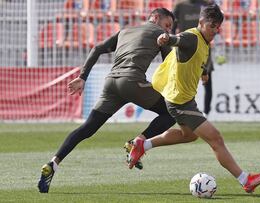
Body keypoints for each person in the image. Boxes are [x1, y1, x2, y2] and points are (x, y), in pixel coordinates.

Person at [37, 8, 182, 193]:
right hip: (132, 82)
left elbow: (97, 48)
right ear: (155, 18)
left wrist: (83, 77)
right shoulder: (160, 35)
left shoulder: (125, 31)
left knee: (87, 129)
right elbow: (169, 63)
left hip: (111, 83)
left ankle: (53, 163)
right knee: (171, 112)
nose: (168, 30)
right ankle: (136, 142)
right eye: (167, 25)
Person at [128, 4, 260, 193]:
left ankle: (142, 145)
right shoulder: (191, 37)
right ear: (201, 22)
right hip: (180, 102)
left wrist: (203, 72)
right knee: (216, 139)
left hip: (182, 99)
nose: (216, 31)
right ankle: (246, 180)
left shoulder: (203, 41)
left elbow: (192, 57)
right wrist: (166, 38)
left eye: (218, 27)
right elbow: (177, 40)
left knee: (189, 136)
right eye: (212, 26)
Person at [172, 0, 215, 116]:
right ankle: (181, 111)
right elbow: (172, 27)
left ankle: (206, 114)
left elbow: (214, 25)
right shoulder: (180, 6)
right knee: (182, 82)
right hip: (184, 48)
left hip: (204, 48)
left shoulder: (206, 5)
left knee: (207, 81)